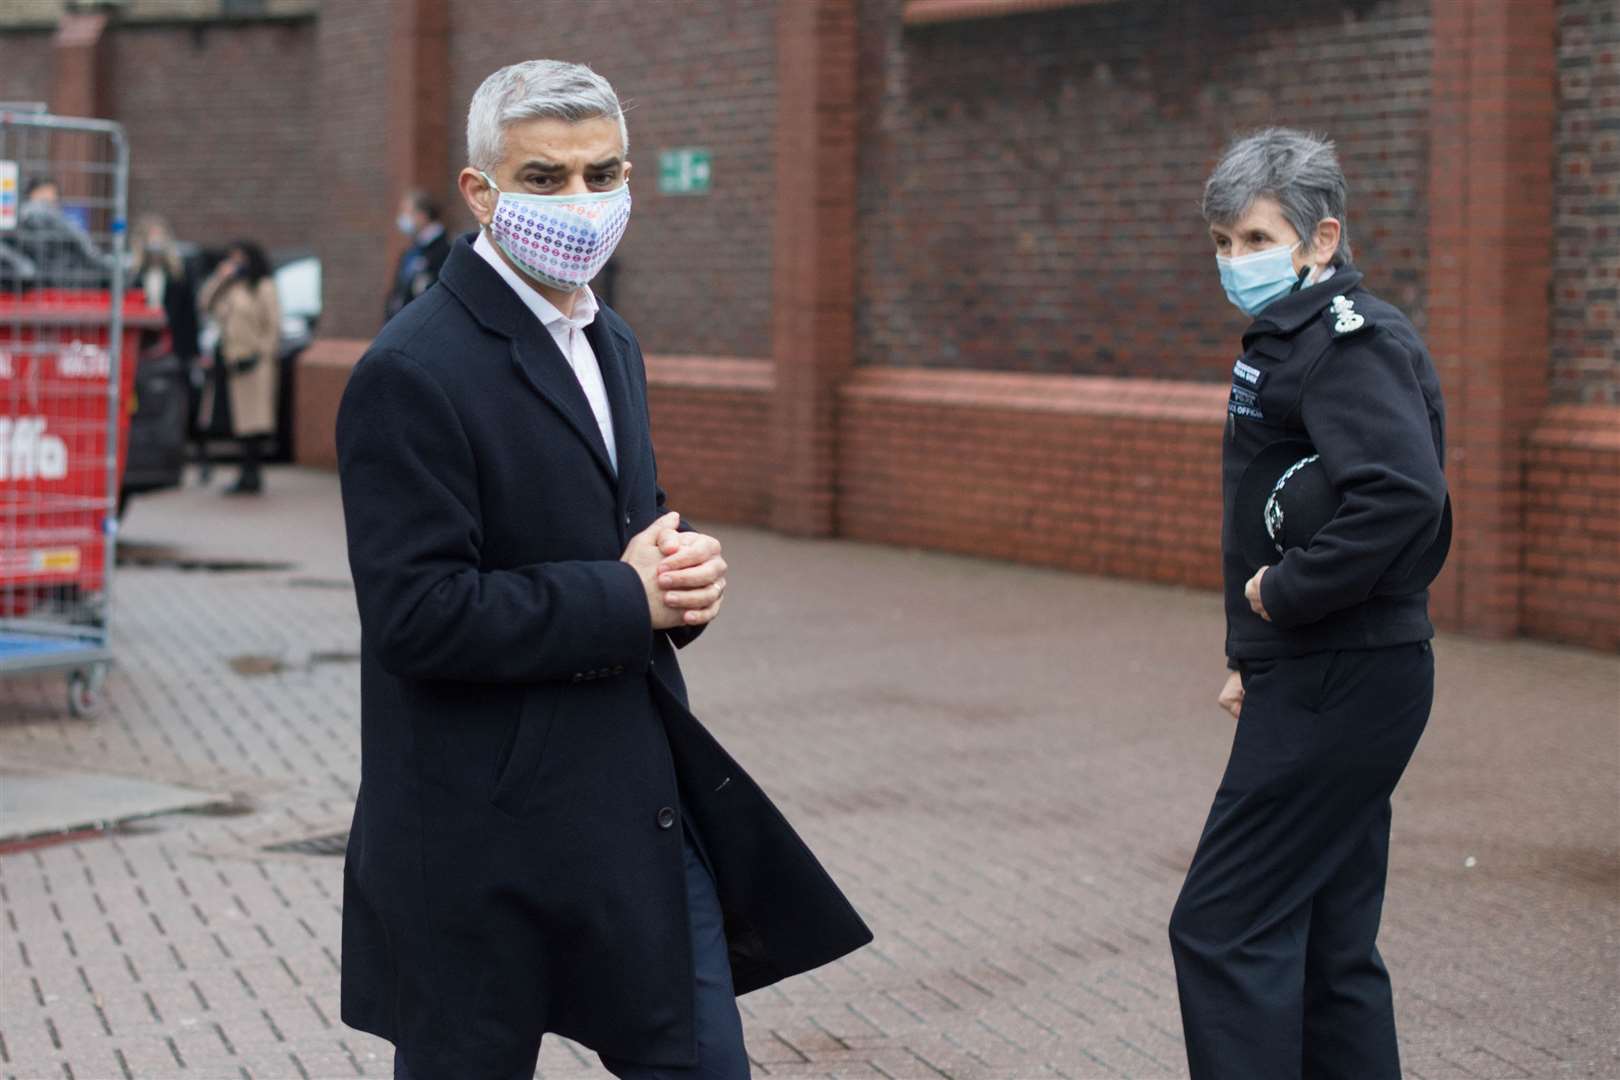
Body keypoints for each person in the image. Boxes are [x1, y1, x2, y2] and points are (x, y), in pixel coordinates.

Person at [335, 60, 872, 1080]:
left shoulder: (610, 337)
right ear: (480, 192)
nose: (581, 204)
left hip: (629, 814)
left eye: (603, 172)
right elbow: (416, 617)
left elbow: (622, 541)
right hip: (475, 843)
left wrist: (676, 587)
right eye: (544, 179)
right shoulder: (409, 371)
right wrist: (629, 594)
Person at [1166, 128, 1450, 1079]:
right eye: (1221, 243)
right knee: (1329, 945)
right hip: (1330, 674)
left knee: (1223, 927)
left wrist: (1283, 600)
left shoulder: (1346, 343)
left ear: (1320, 240)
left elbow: (1403, 496)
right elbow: (1279, 500)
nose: (1234, 262)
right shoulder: (1293, 339)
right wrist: (1256, 654)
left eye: (1254, 240)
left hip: (1343, 675)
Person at [196, 240, 279, 495]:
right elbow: (204, 303)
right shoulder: (232, 288)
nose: (235, 265)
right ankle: (245, 473)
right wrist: (219, 278)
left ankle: (252, 473)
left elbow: (273, 326)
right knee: (240, 422)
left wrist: (261, 354)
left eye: (239, 259)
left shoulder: (263, 287)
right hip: (232, 362)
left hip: (255, 364)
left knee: (254, 422)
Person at [383, 189, 451, 323]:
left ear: (422, 215)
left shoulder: (444, 251)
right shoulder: (410, 252)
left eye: (407, 212)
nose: (402, 218)